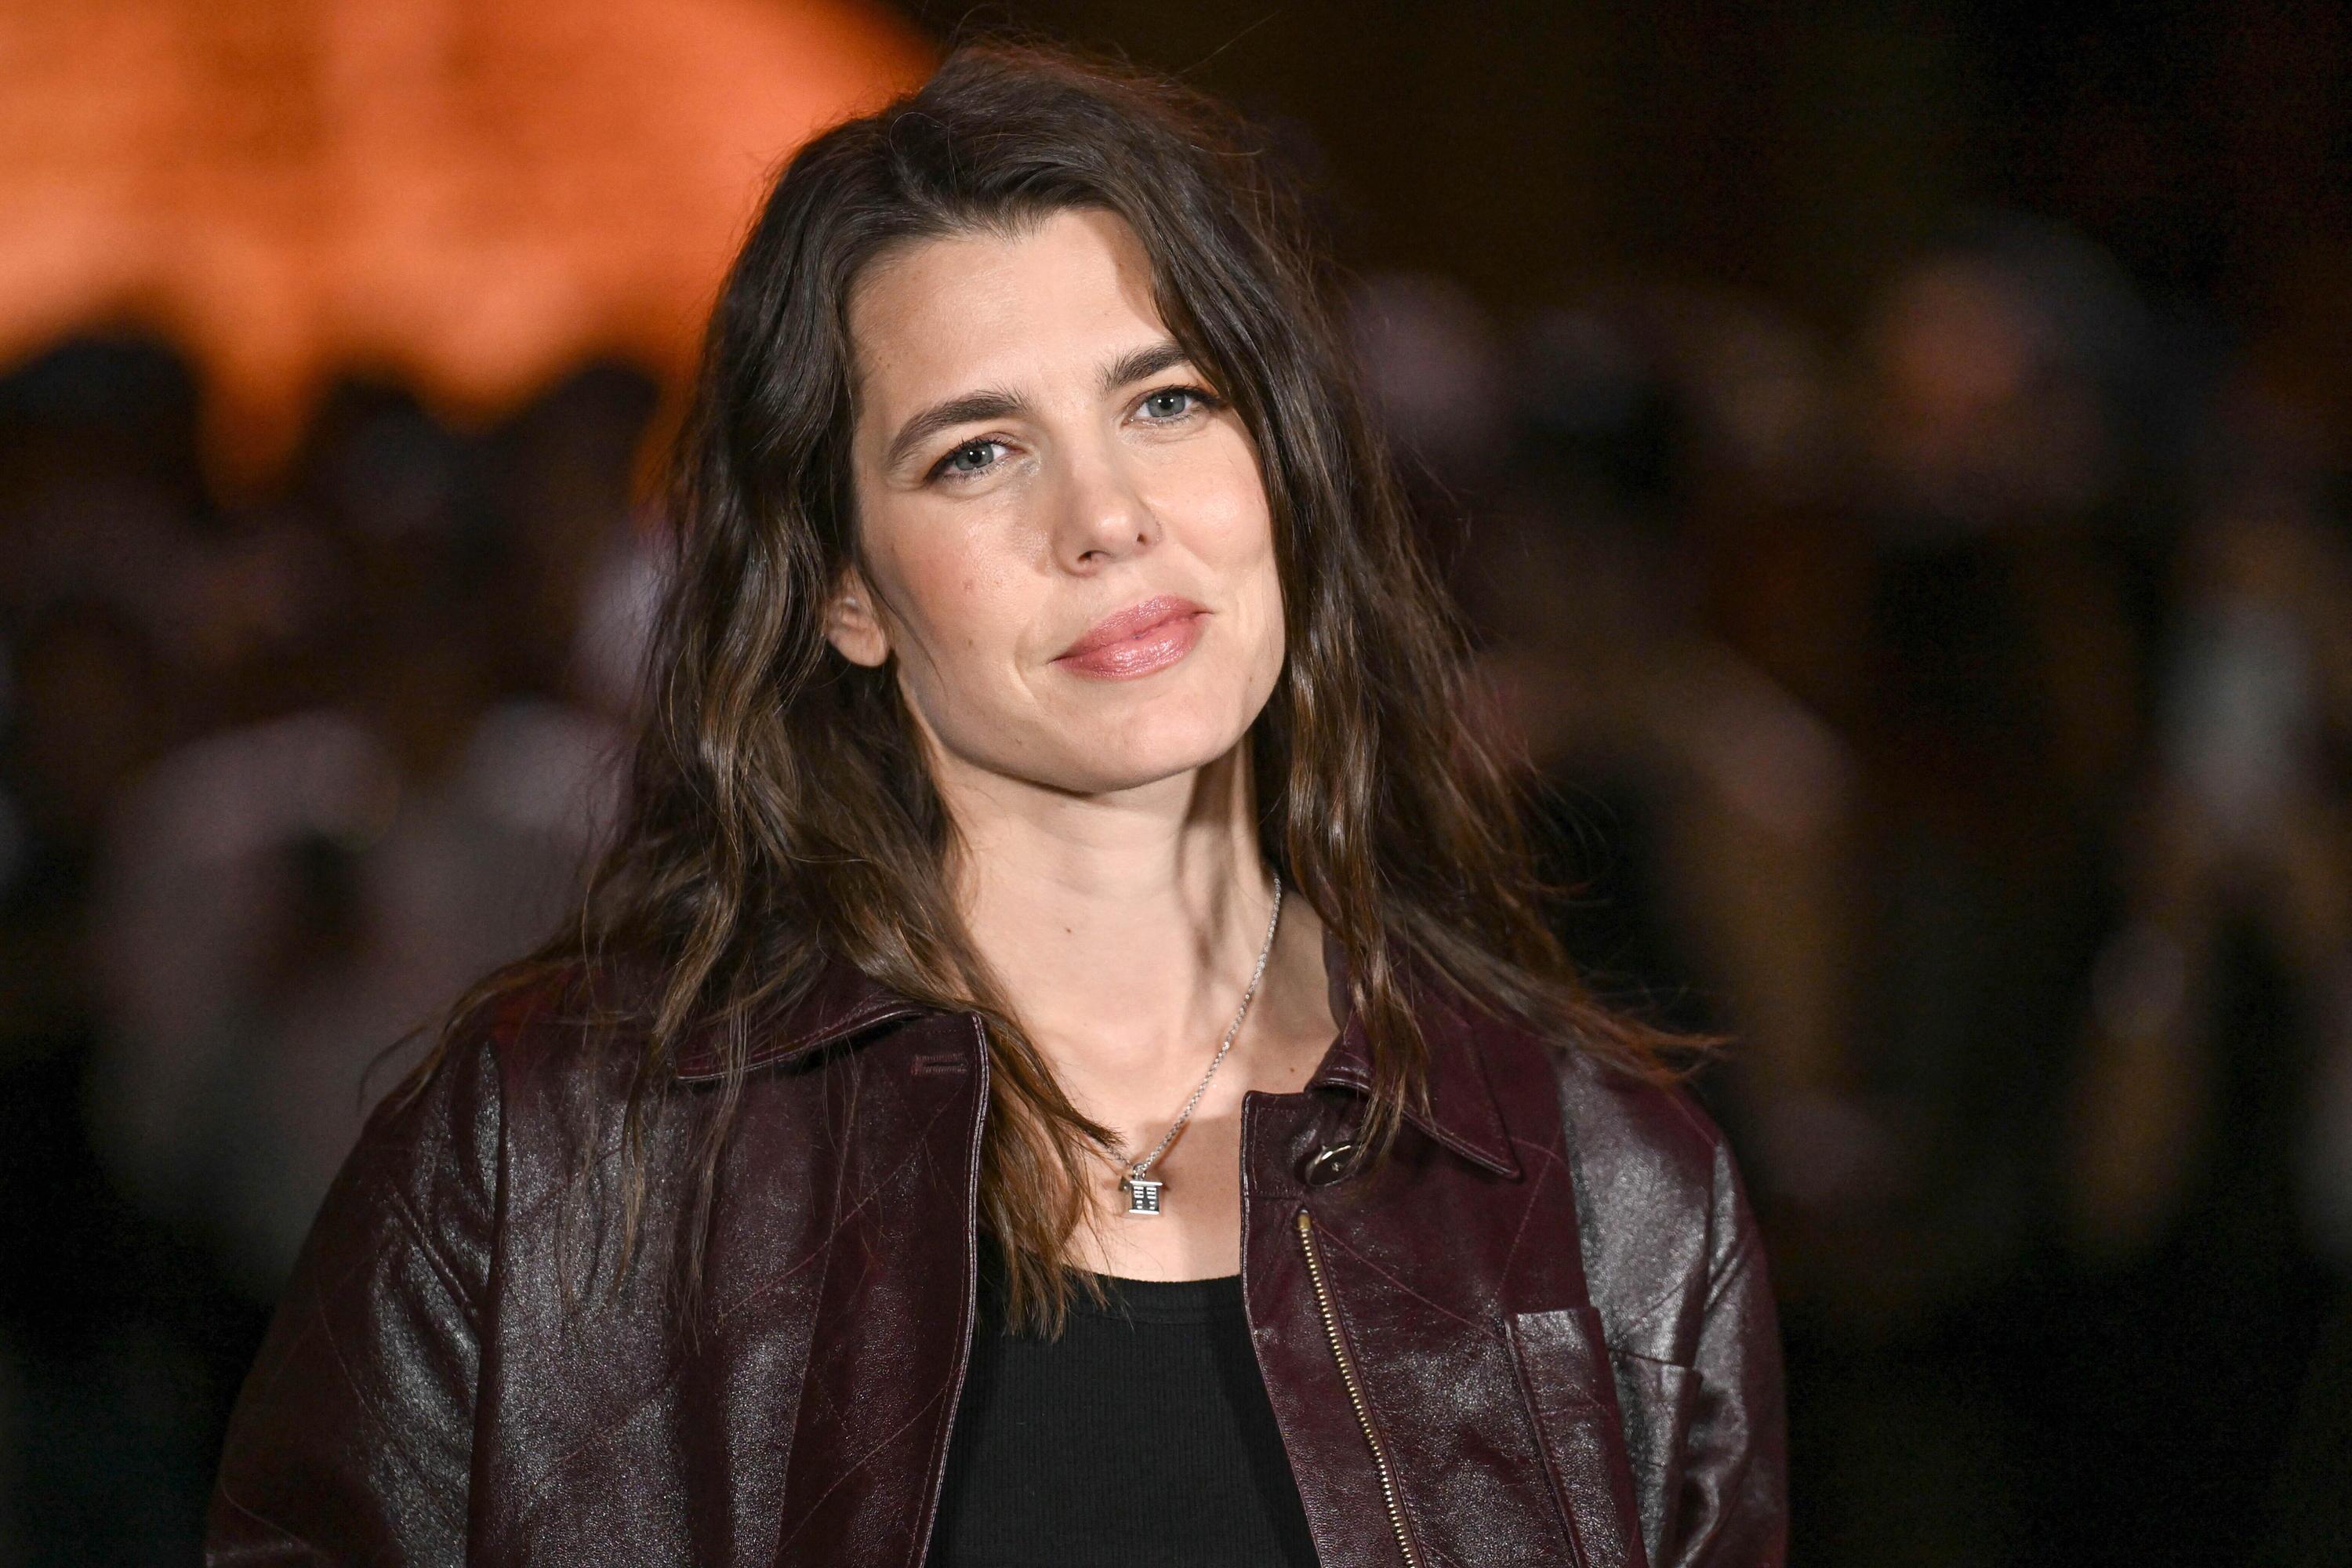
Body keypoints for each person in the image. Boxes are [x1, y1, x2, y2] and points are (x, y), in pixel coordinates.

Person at [204, 41, 1785, 1567]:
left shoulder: (1612, 1199)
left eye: (1167, 402)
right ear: (844, 589)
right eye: (976, 454)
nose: (1106, 518)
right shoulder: (544, 1164)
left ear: (1283, 462)